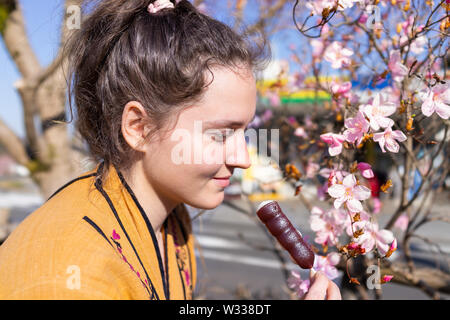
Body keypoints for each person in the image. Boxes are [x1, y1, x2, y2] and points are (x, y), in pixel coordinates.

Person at [0, 0, 341, 300]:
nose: (242, 158)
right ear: (139, 128)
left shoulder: (171, 223)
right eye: (222, 134)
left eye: (244, 131)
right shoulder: (66, 276)